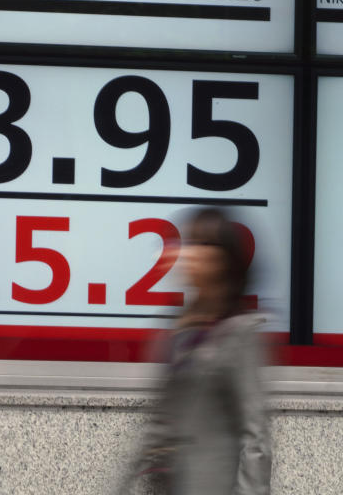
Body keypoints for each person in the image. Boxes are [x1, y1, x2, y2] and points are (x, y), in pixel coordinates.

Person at [118, 207, 271, 495]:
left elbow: (256, 436)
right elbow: (162, 421)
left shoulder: (240, 333)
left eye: (200, 245)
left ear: (222, 261)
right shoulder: (180, 328)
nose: (186, 254)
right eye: (187, 244)